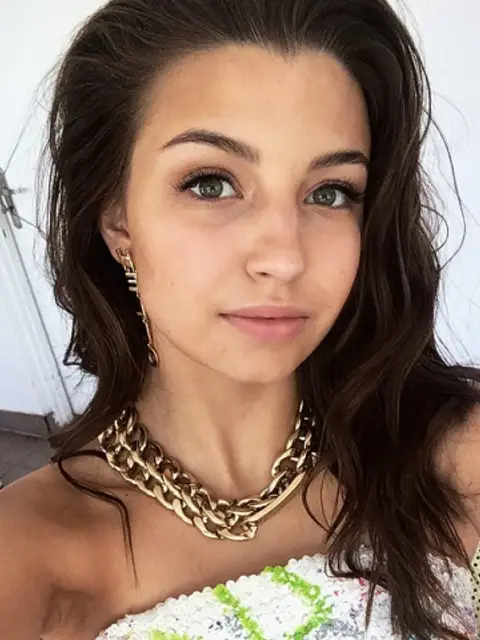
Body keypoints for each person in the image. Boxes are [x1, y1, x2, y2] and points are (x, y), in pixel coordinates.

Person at [1, 0, 479, 638]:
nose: (284, 257)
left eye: (331, 192)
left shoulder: (453, 459)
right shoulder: (29, 555)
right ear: (117, 217)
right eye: (210, 183)